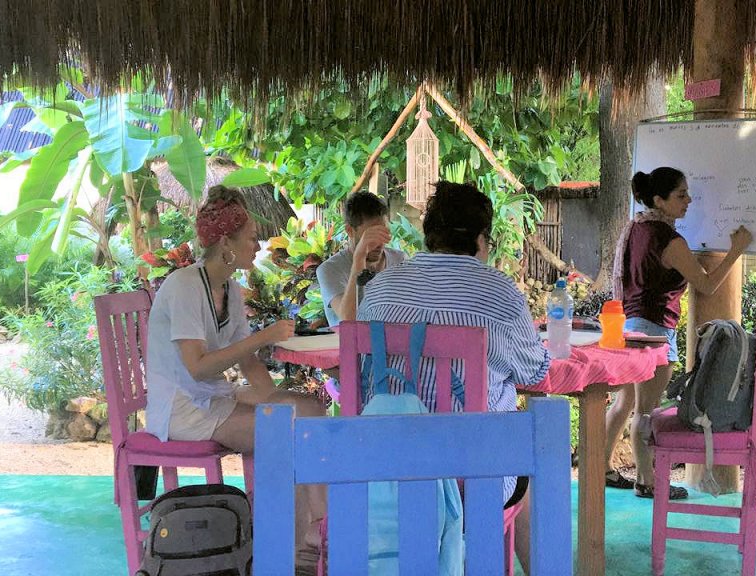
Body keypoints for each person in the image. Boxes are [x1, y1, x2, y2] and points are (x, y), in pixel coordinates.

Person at [357, 181, 551, 574]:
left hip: (383, 470)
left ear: (429, 237)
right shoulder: (499, 293)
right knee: (530, 468)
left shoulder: (379, 289)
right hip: (468, 478)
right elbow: (536, 371)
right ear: (482, 239)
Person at [145, 185, 327, 570]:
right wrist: (265, 337)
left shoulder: (228, 288)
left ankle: (315, 527)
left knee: (308, 406)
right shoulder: (184, 287)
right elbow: (198, 367)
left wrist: (278, 400)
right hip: (183, 409)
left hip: (213, 397)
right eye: (250, 237)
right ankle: (303, 546)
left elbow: (249, 366)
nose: (258, 244)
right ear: (226, 242)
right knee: (286, 433)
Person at [604, 167, 752, 500]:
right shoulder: (669, 240)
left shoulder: (638, 227)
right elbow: (707, 284)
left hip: (629, 324)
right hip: (655, 332)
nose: (689, 201)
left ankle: (600, 468)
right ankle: (647, 481)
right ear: (660, 200)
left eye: (688, 193)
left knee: (625, 401)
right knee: (647, 411)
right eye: (681, 195)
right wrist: (735, 251)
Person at [317, 191, 407, 326]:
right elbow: (348, 320)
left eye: (383, 233)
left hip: (390, 344)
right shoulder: (329, 269)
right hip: (350, 345)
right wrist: (359, 258)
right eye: (370, 236)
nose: (379, 243)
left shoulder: (399, 260)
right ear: (349, 231)